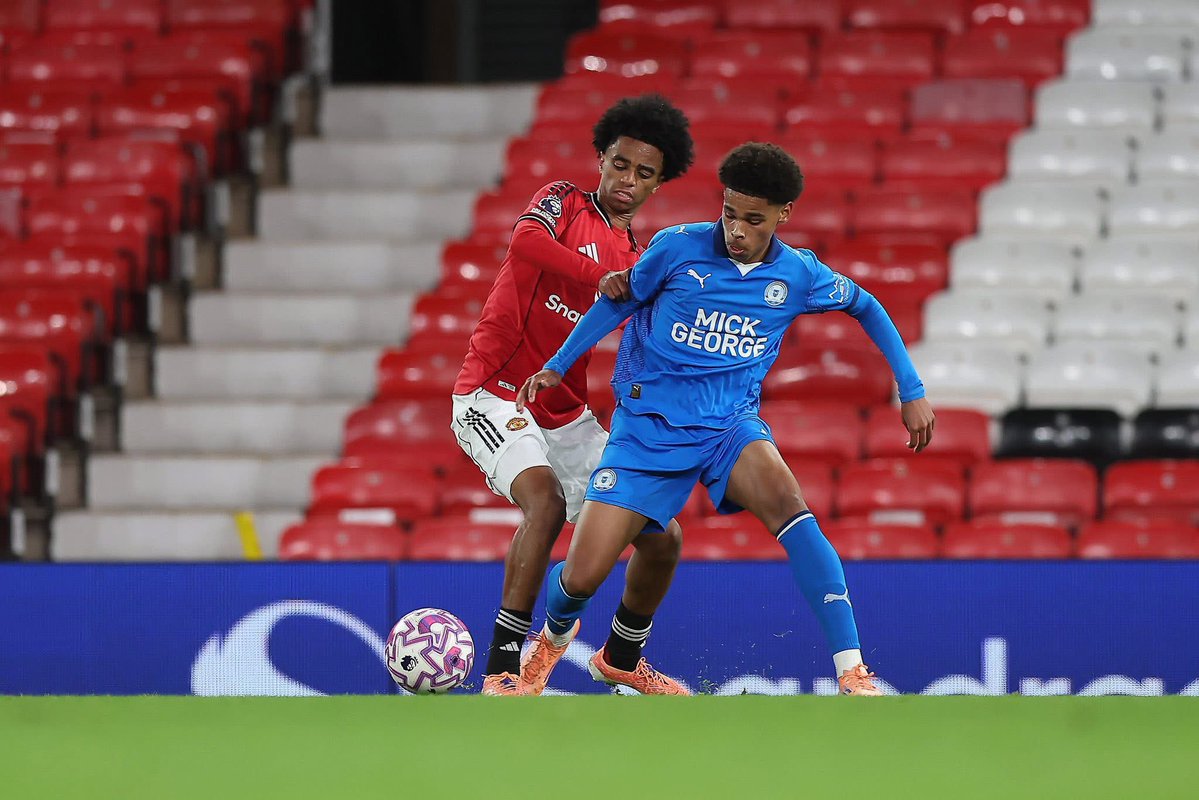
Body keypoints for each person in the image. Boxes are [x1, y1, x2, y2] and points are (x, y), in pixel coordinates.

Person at [518, 142, 936, 696]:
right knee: (582, 575)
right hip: (647, 431)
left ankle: (852, 672)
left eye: (753, 219)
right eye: (730, 213)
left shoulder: (798, 274)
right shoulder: (677, 248)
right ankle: (548, 645)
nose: (737, 228)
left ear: (783, 214)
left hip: (729, 427)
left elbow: (867, 305)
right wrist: (556, 364)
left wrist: (911, 389)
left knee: (794, 511)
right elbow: (618, 302)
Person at [451, 95, 696, 696]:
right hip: (493, 394)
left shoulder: (640, 258)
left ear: (658, 184)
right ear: (601, 160)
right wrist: (599, 280)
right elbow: (524, 244)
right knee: (547, 505)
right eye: (619, 165)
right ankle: (503, 670)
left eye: (644, 174)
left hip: (565, 416)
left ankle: (620, 656)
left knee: (663, 539)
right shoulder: (561, 200)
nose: (626, 181)